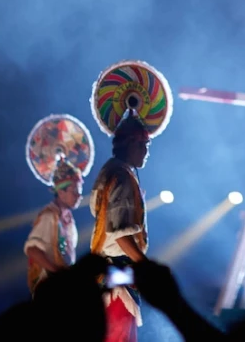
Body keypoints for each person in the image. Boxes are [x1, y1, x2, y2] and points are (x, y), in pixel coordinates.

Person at [90, 110, 151, 342]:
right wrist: (147, 265)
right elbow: (119, 235)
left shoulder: (110, 170)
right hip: (118, 271)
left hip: (109, 271)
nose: (146, 151)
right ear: (129, 144)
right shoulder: (122, 176)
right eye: (142, 144)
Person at [25, 156, 83, 294]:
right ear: (61, 192)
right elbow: (32, 249)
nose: (79, 196)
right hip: (50, 285)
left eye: (80, 192)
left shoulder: (67, 218)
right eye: (74, 191)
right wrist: (56, 272)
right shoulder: (49, 216)